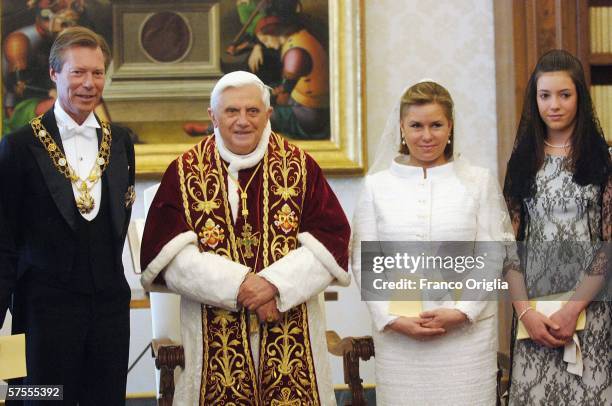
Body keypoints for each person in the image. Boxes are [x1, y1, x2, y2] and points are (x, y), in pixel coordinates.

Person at [140, 70, 350, 405]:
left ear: (268, 114)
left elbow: (331, 241)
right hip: (213, 336)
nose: (242, 121)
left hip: (291, 328)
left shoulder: (301, 167)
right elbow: (167, 258)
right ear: (213, 116)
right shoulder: (183, 172)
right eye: (231, 111)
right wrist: (239, 286)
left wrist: (273, 285)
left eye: (252, 111)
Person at [351, 81, 513, 405]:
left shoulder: (478, 181)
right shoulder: (376, 186)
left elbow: (492, 254)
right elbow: (363, 258)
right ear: (401, 127)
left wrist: (462, 311)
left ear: (450, 126)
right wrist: (392, 319)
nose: (426, 136)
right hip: (400, 339)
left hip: (466, 337)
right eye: (416, 125)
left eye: (436, 125)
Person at [0, 26, 135, 405]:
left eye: (97, 73)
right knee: (42, 399)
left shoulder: (120, 142)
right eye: (78, 72)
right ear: (54, 74)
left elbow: (117, 224)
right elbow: (4, 241)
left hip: (108, 310)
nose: (89, 83)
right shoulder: (17, 146)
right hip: (43, 313)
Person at [504, 49, 611, 405]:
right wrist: (526, 313)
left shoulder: (602, 160)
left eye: (564, 94)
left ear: (580, 96)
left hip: (591, 306)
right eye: (544, 95)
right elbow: (510, 247)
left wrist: (572, 308)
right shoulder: (522, 161)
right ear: (534, 99)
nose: (554, 104)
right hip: (533, 309)